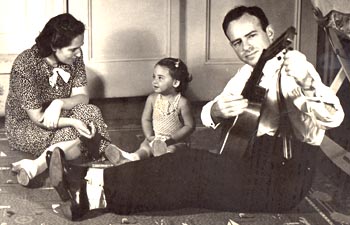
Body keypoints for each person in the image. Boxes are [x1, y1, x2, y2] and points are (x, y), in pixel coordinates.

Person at [51, 6, 344, 221]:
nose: (246, 46)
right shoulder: (247, 74)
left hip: (285, 180)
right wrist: (217, 109)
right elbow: (205, 115)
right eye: (237, 42)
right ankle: (90, 191)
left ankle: (91, 184)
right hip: (251, 164)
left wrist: (307, 84)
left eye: (252, 35)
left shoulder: (294, 67)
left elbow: (334, 118)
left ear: (269, 33)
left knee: (193, 170)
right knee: (181, 164)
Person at [5, 13, 122, 188]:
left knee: (92, 111)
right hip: (27, 125)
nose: (79, 53)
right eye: (73, 49)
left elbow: (82, 97)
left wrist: (59, 103)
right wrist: (74, 121)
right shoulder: (25, 65)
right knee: (78, 131)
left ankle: (36, 165)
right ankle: (102, 147)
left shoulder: (75, 58)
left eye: (80, 47)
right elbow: (38, 118)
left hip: (61, 114)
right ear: (53, 46)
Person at [111, 57, 195, 164]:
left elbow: (189, 126)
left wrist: (172, 139)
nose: (155, 81)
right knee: (145, 147)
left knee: (172, 150)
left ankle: (164, 159)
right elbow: (146, 119)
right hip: (156, 138)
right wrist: (149, 136)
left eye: (160, 78)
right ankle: (132, 158)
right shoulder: (152, 99)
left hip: (175, 141)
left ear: (175, 83)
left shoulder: (182, 102)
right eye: (154, 76)